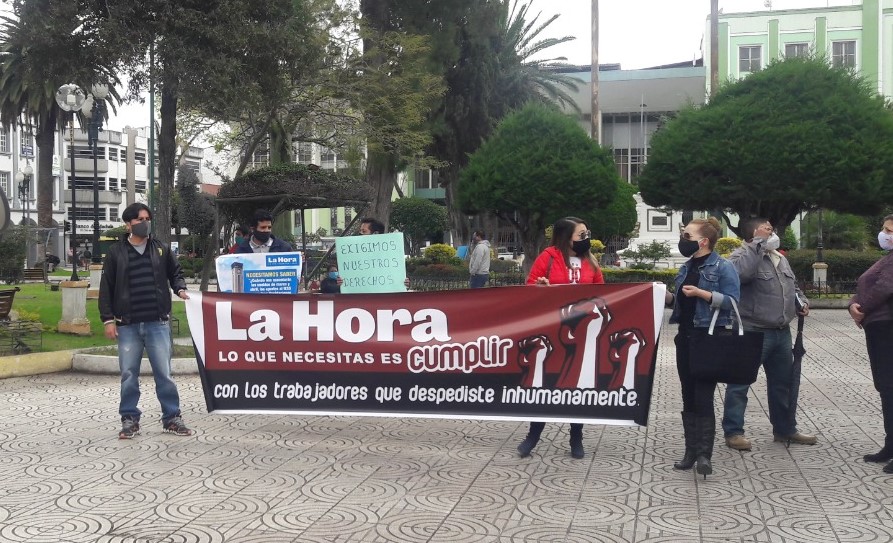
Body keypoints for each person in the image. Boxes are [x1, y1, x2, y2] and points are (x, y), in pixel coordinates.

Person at [98, 202, 193, 439]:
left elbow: (175, 273)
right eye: (140, 219)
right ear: (128, 224)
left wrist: (180, 289)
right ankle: (130, 419)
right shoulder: (116, 253)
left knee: (165, 373)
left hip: (157, 323)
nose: (145, 223)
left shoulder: (160, 248)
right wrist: (108, 320)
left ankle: (172, 418)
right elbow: (106, 288)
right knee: (129, 374)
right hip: (127, 324)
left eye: (147, 218)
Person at [722, 218, 816, 451]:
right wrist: (757, 244)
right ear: (752, 233)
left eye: (771, 229)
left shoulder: (779, 257)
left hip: (781, 332)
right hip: (752, 330)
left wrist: (801, 302)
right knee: (740, 384)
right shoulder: (740, 256)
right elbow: (741, 275)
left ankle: (784, 429)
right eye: (766, 229)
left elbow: (793, 288)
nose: (772, 232)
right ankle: (734, 432)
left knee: (782, 384)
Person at [517, 216, 604, 460]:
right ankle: (533, 435)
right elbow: (530, 285)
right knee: (546, 385)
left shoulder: (592, 262)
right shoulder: (548, 257)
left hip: (582, 335)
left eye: (587, 234)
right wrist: (540, 286)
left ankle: (576, 436)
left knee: (577, 386)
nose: (586, 239)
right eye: (581, 235)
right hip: (552, 333)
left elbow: (602, 293)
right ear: (567, 238)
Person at [666, 217, 740, 478]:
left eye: (687, 235)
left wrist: (702, 294)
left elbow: (732, 302)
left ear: (704, 241)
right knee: (688, 395)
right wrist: (668, 297)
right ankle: (690, 452)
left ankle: (704, 455)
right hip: (684, 338)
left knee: (703, 395)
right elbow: (681, 301)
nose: (683, 239)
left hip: (708, 338)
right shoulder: (686, 267)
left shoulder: (723, 267)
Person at [848, 214, 893, 472]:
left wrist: (861, 307)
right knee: (887, 389)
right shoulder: (887, 258)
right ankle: (891, 444)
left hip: (888, 327)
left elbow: (885, 287)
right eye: (884, 229)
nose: (885, 234)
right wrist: (853, 303)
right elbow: (867, 285)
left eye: (889, 230)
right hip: (880, 328)